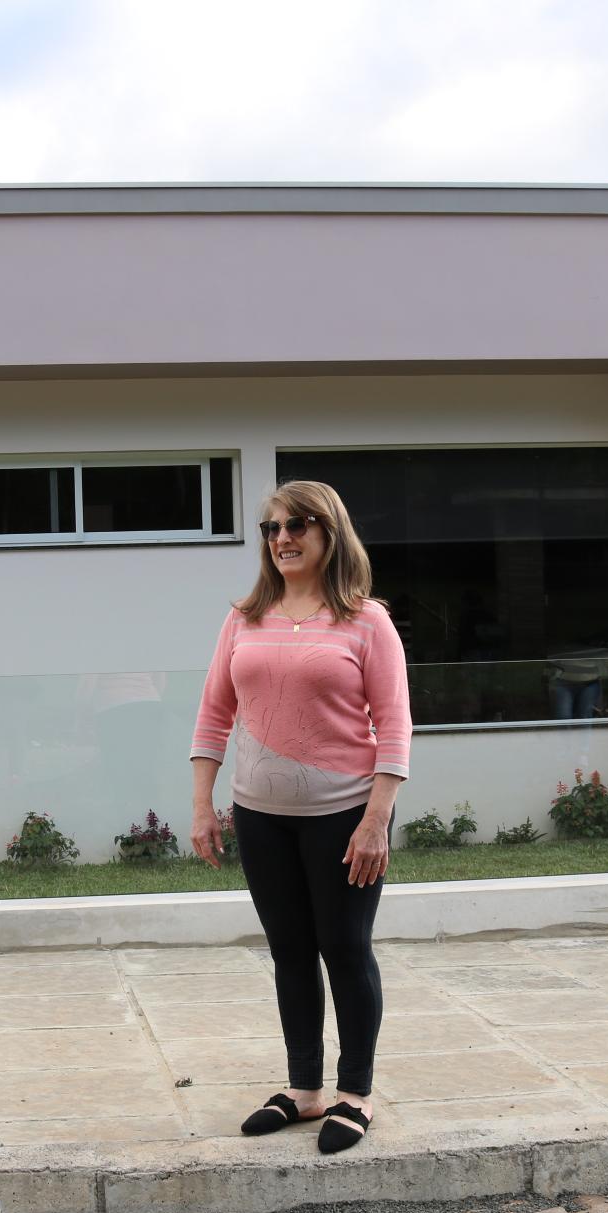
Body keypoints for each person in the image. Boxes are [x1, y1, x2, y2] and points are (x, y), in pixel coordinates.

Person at [187, 479, 411, 1155]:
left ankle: (355, 1093)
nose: (282, 538)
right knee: (289, 950)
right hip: (261, 816)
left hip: (344, 814)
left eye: (297, 525)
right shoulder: (243, 619)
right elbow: (214, 713)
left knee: (344, 948)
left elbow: (395, 726)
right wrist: (202, 804)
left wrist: (376, 820)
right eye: (272, 528)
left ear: (328, 533)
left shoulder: (366, 621)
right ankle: (305, 1088)